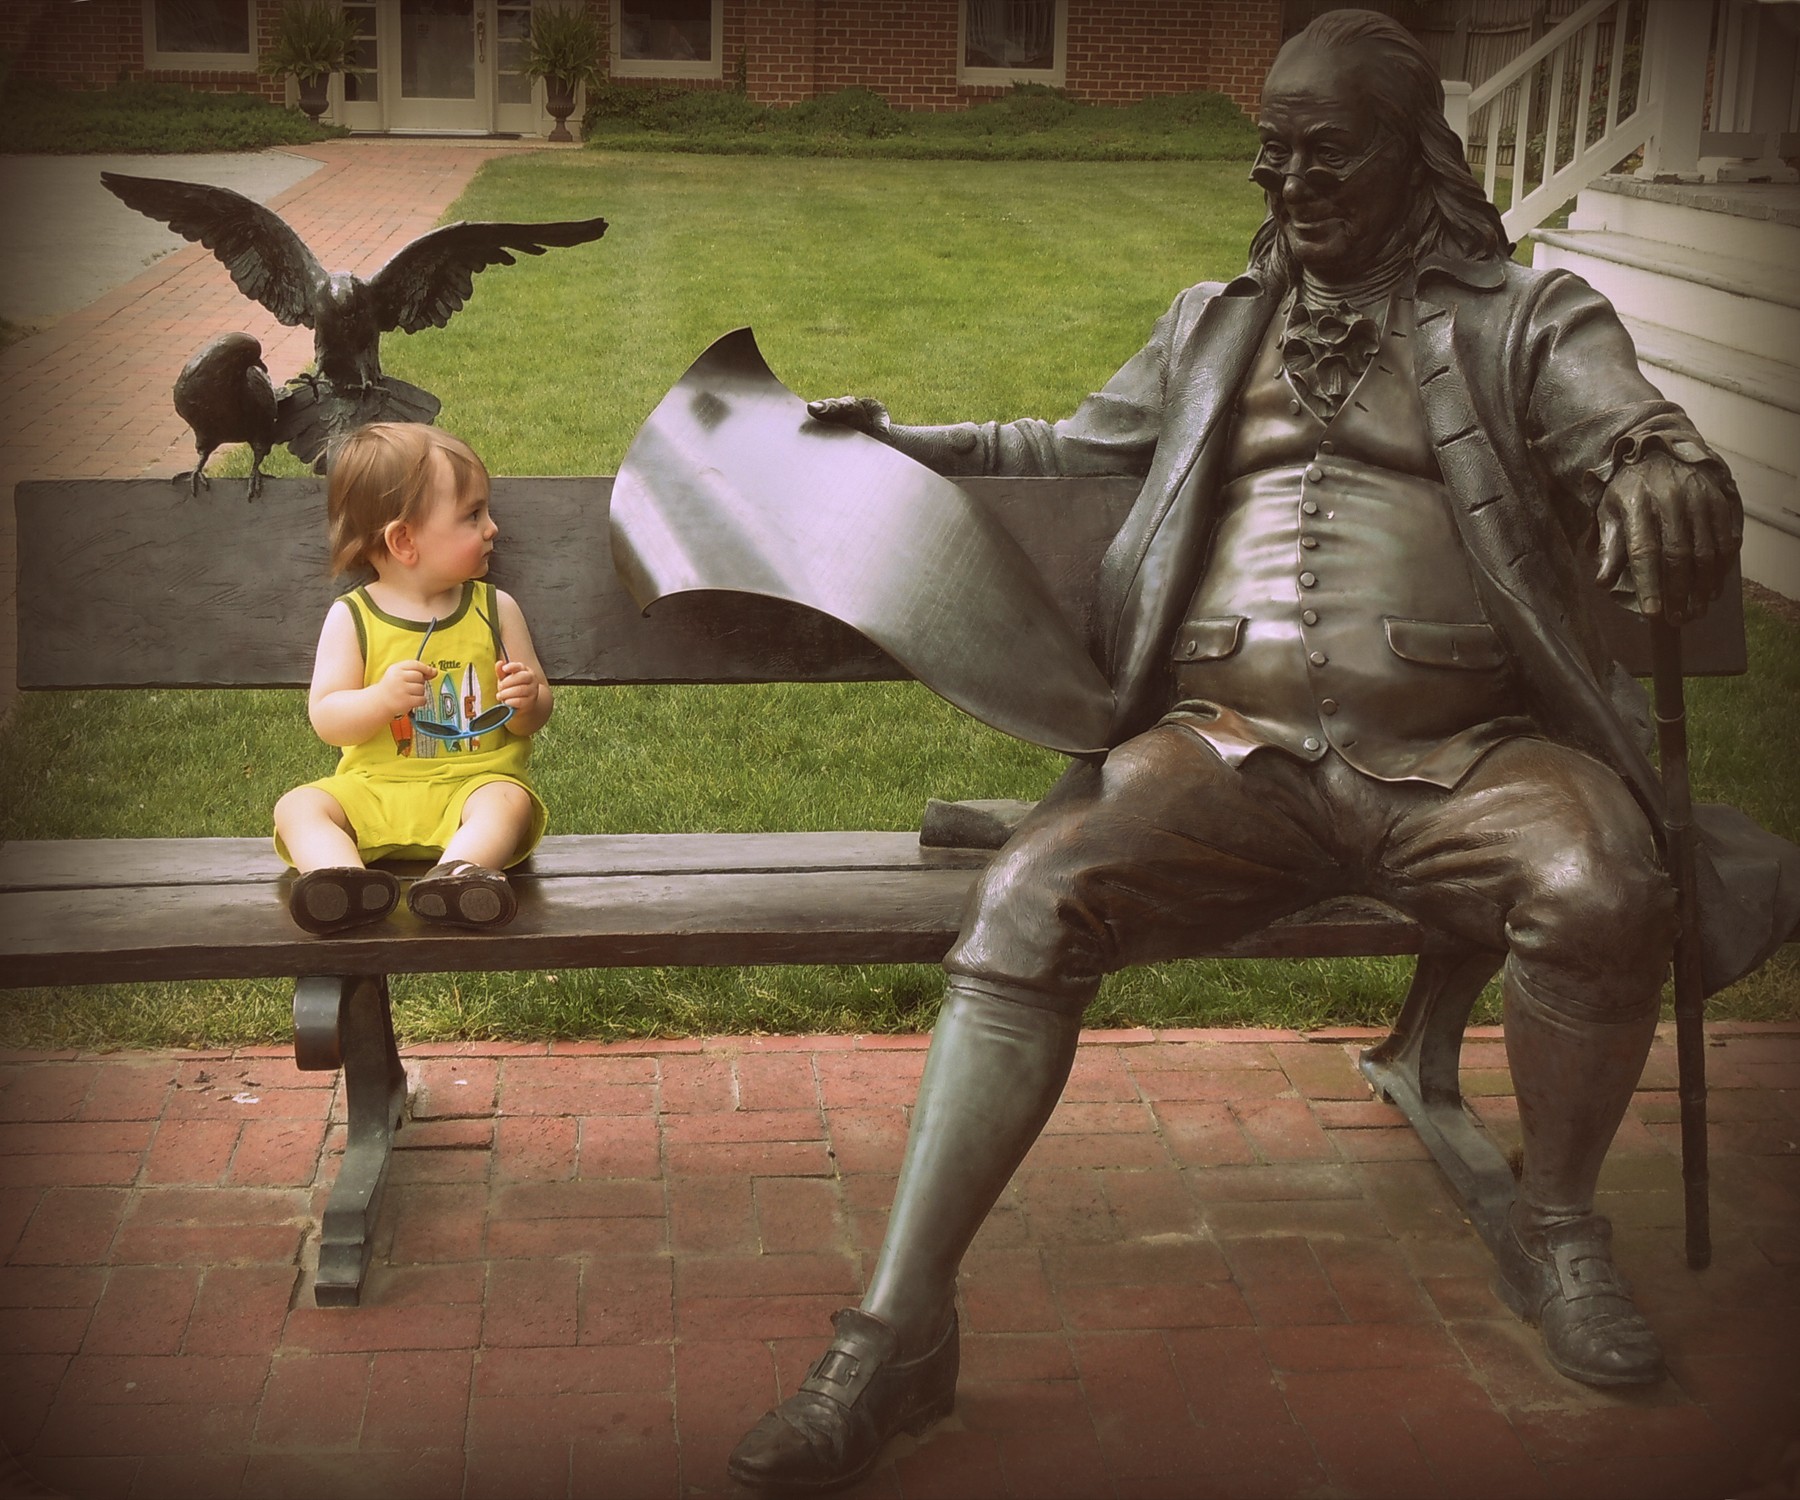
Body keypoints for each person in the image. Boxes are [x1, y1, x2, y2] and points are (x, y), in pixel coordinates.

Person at [727, 9, 1800, 1493]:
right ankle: (897, 1332)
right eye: (1272, 151)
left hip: (1469, 753)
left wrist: (1656, 473)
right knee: (1033, 897)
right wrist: (902, 440)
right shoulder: (1211, 323)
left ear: (1414, 159)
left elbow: (1638, 437)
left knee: (1604, 878)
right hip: (1224, 753)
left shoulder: (1526, 319)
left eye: (1328, 151)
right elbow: (1069, 448)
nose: (1290, 182)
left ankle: (1560, 1234)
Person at [273, 422, 553, 934]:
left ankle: (457, 875)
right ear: (404, 540)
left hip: (471, 786)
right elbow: (329, 720)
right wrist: (380, 699)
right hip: (373, 789)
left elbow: (529, 720)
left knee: (508, 801)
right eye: (473, 515)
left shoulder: (495, 609)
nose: (492, 527)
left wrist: (528, 698)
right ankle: (339, 878)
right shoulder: (352, 616)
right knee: (298, 805)